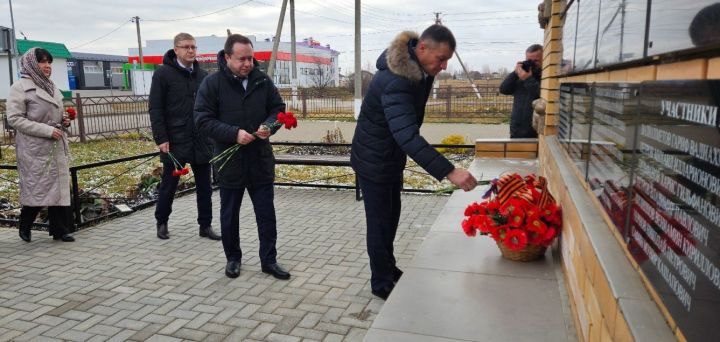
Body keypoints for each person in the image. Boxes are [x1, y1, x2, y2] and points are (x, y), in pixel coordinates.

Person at [351, 25, 478, 300]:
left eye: (447, 60)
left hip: (388, 156)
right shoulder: (397, 81)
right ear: (422, 49)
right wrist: (449, 170)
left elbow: (404, 131)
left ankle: (388, 267)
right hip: (373, 160)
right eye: (441, 59)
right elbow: (408, 135)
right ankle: (381, 282)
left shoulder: (418, 70)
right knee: (380, 223)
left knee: (391, 216)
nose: (443, 66)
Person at [194, 34, 291, 280]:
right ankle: (233, 259)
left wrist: (270, 125)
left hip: (259, 160)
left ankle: (269, 260)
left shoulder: (262, 81)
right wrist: (233, 133)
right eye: (242, 59)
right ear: (227, 57)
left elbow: (278, 109)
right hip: (230, 161)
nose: (248, 63)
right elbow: (202, 120)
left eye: (250, 58)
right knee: (229, 215)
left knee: (266, 215)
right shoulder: (212, 83)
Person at [149, 32, 220, 241]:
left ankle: (205, 225)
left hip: (200, 139)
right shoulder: (163, 74)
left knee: (205, 186)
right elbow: (156, 108)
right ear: (176, 49)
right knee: (169, 184)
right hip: (175, 139)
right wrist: (161, 137)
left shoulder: (202, 76)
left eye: (194, 47)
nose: (191, 51)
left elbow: (211, 107)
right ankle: (162, 222)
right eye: (186, 47)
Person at [7, 48, 75, 243]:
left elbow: (55, 114)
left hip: (55, 143)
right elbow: (14, 119)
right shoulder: (19, 87)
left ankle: (60, 230)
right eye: (42, 62)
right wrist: (46, 130)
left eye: (49, 62)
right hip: (34, 147)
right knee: (37, 186)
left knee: (59, 187)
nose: (47, 66)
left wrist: (64, 120)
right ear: (30, 64)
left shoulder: (51, 86)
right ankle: (25, 225)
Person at [499, 44, 543, 138]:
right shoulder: (520, 77)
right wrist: (515, 73)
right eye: (529, 60)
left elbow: (540, 95)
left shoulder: (545, 78)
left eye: (536, 61)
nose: (532, 63)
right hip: (517, 130)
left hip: (535, 132)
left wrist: (528, 79)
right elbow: (503, 89)